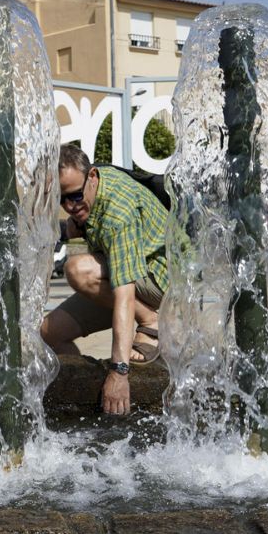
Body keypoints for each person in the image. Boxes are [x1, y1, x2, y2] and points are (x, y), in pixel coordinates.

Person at [40, 145, 167, 416]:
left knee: (78, 270)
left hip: (162, 280)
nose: (70, 207)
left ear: (93, 176)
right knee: (50, 333)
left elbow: (124, 292)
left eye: (75, 196)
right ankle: (83, 396)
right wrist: (76, 231)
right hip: (130, 275)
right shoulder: (87, 198)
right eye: (61, 200)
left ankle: (150, 321)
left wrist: (119, 372)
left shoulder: (117, 212)